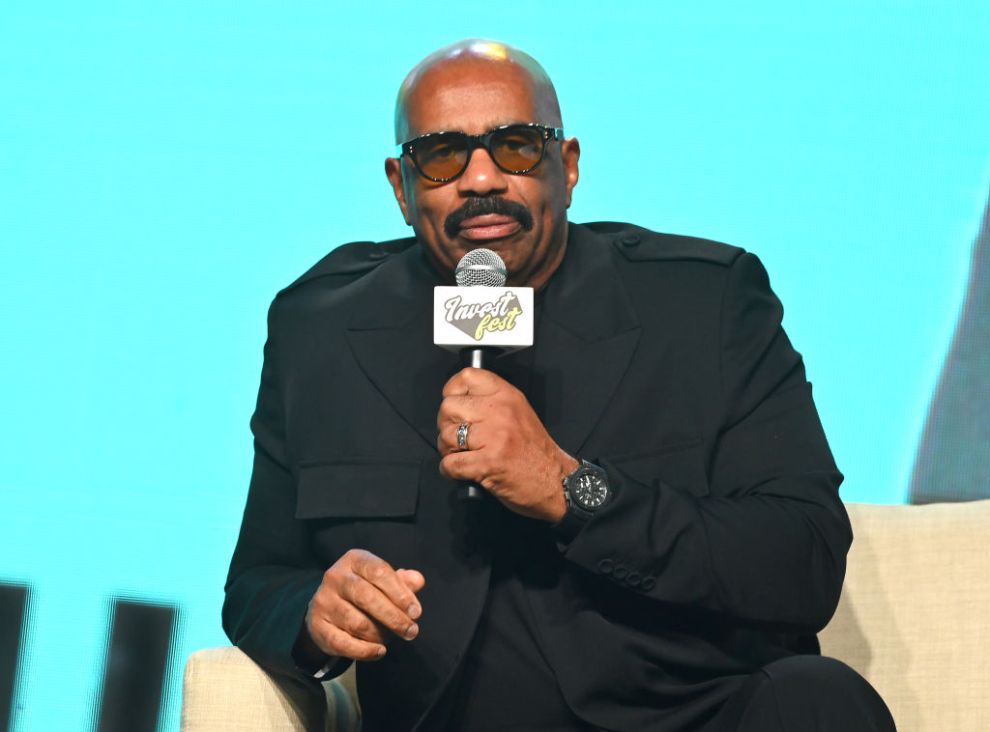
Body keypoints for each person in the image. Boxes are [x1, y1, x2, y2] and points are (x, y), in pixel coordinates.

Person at [223, 39, 895, 731]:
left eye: (516, 146)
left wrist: (573, 490)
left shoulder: (704, 305)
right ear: (402, 185)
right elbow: (257, 583)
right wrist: (314, 615)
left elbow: (802, 561)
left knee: (821, 699)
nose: (482, 179)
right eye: (443, 153)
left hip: (691, 714)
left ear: (567, 168)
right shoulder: (322, 330)